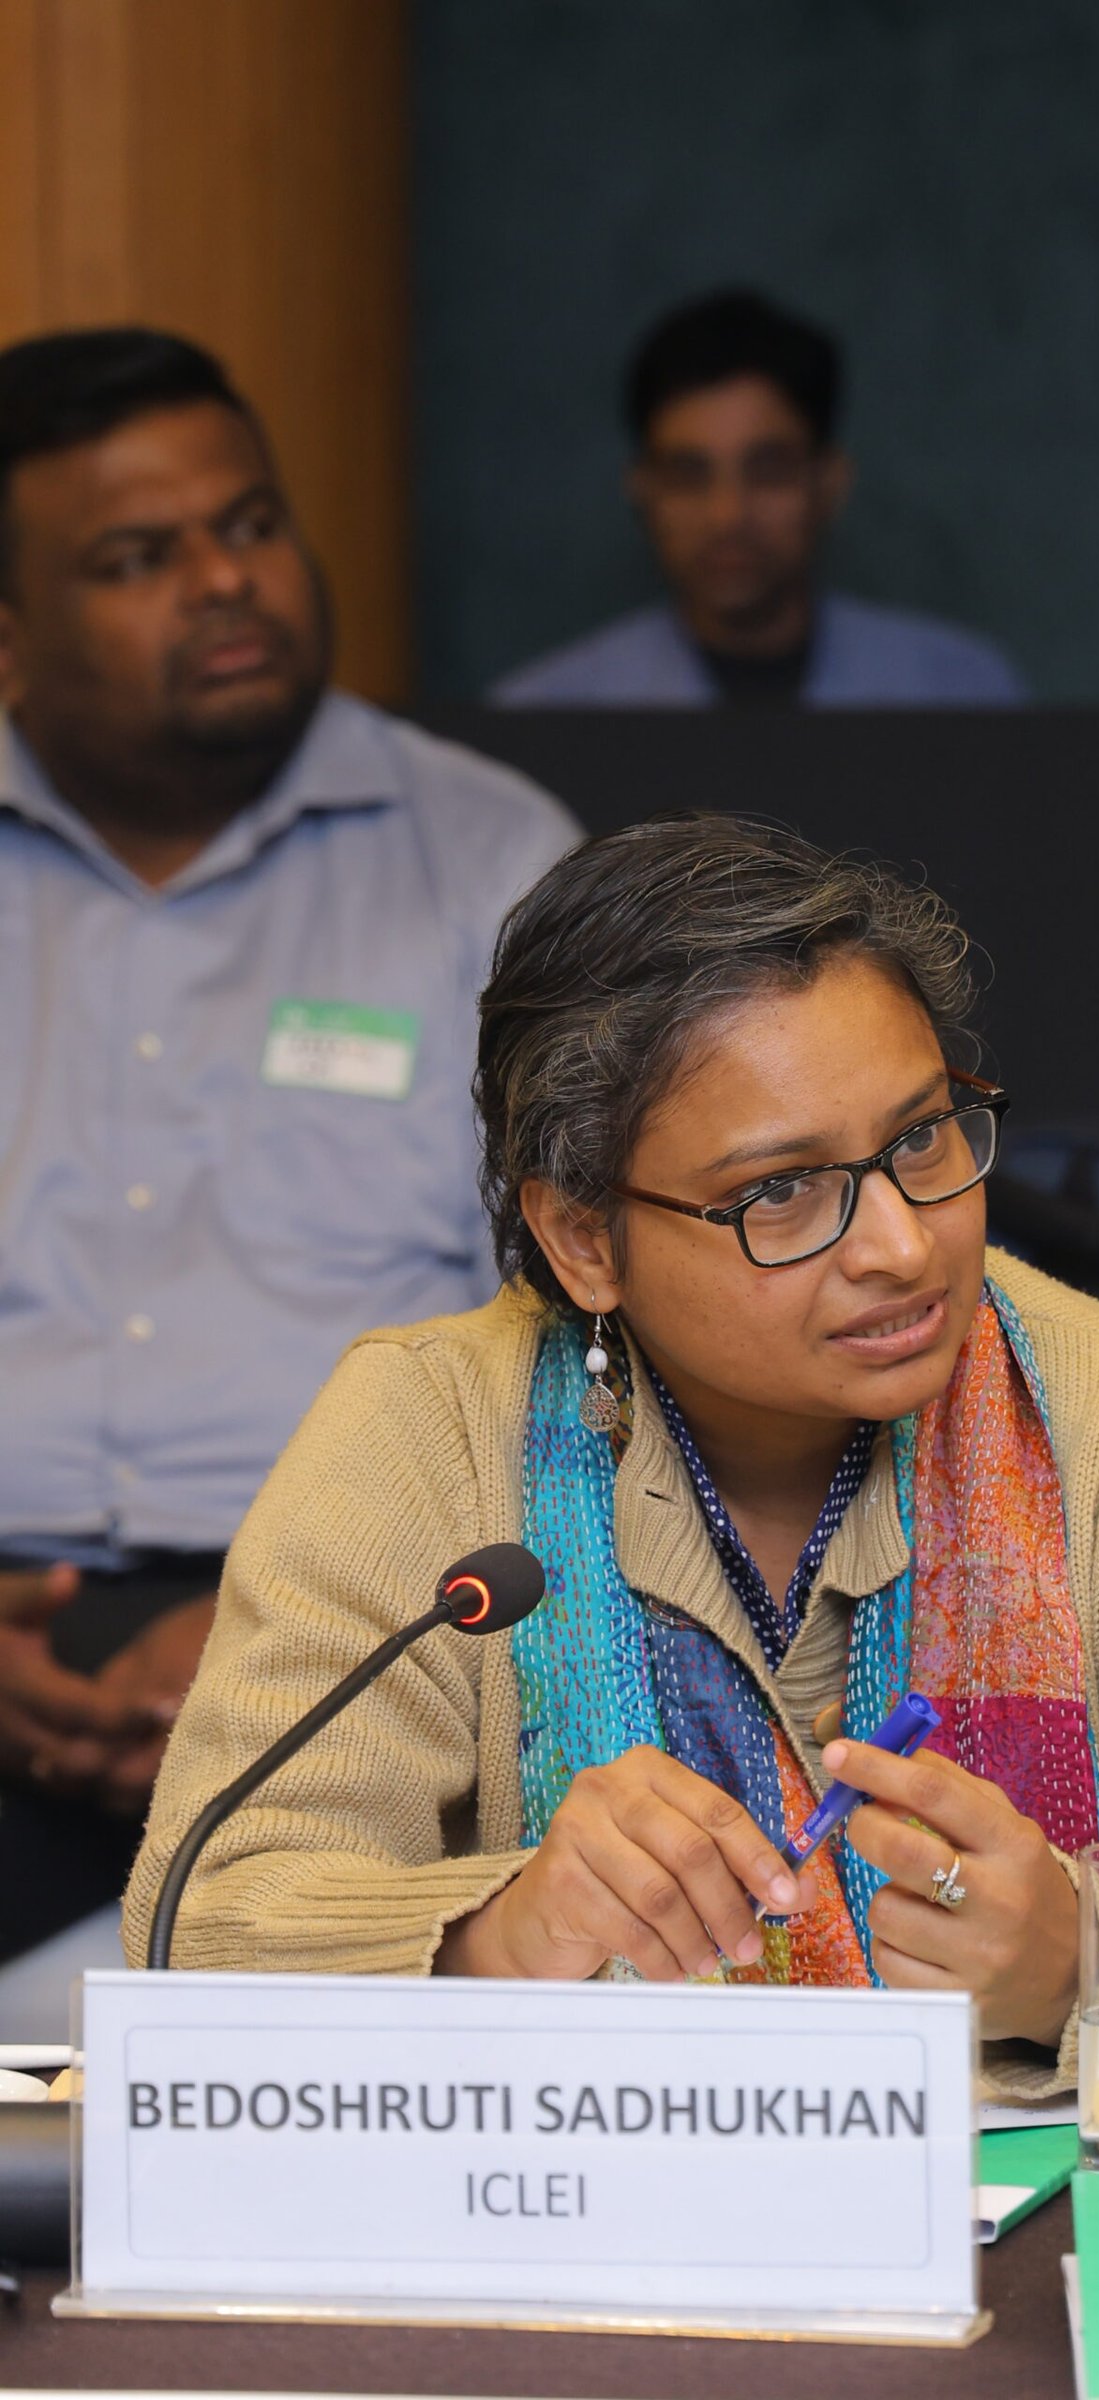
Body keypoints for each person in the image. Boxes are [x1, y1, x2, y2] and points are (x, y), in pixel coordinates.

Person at [126, 815, 1099, 2092]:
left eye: (920, 1139)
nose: (901, 1246)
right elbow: (203, 1921)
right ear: (583, 1239)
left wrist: (1083, 1959)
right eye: (781, 1193)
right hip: (579, 2208)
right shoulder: (422, 1433)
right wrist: (496, 1940)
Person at [0, 326, 580, 1995]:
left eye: (248, 524)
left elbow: (597, 1332)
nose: (222, 581)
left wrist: (301, 1609)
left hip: (379, 1637)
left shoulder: (494, 867)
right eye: (138, 557)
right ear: (11, 635)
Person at [489, 289, 1027, 709]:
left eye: (768, 471)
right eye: (688, 474)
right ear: (643, 489)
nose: (728, 515)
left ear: (829, 482)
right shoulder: (546, 712)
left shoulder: (959, 690)